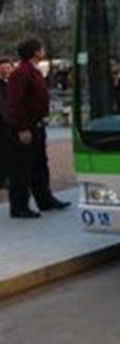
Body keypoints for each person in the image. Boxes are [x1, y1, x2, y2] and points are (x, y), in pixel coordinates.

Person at [5, 38, 70, 218]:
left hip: (37, 125)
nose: (43, 51)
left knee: (39, 165)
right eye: (41, 48)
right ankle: (19, 207)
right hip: (26, 128)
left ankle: (45, 199)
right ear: (35, 52)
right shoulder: (21, 73)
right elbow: (14, 103)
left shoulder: (33, 72)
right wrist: (22, 128)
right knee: (21, 168)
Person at [0, 56, 14, 189]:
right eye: (3, 68)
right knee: (4, 152)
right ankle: (4, 178)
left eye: (8, 67)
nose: (5, 70)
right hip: (4, 124)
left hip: (11, 122)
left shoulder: (13, 83)